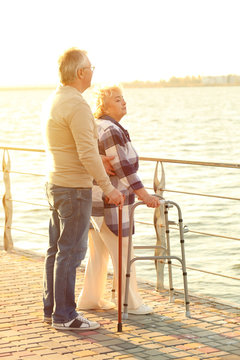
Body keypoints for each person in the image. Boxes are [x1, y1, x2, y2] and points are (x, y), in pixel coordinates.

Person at [42, 49, 124, 331]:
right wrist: (108, 187)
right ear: (80, 73)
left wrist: (95, 159)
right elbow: (87, 152)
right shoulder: (77, 105)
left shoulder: (55, 99)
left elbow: (68, 146)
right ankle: (65, 316)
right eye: (90, 67)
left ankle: (52, 309)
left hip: (55, 182)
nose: (92, 71)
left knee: (56, 250)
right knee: (71, 252)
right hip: (73, 189)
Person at [77, 85, 160, 315]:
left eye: (123, 98)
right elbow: (122, 167)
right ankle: (131, 303)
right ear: (104, 106)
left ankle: (90, 299)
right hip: (110, 202)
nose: (123, 102)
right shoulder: (110, 129)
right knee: (124, 252)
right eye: (117, 99)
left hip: (96, 202)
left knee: (99, 254)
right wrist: (145, 195)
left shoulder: (103, 126)